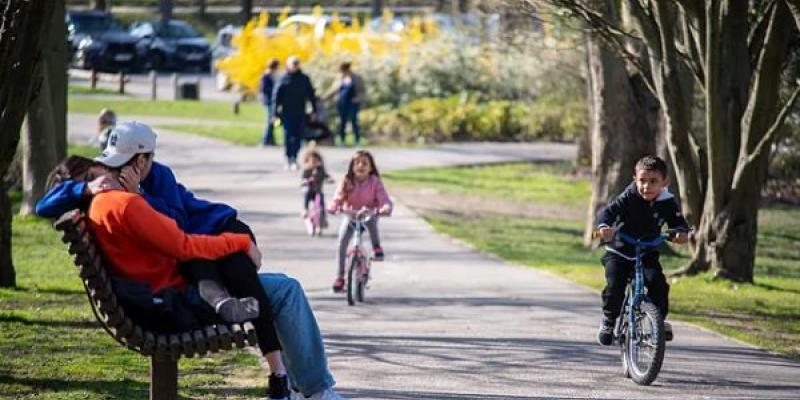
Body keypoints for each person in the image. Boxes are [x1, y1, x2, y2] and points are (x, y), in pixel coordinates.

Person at [35, 122, 323, 400]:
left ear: (142, 160)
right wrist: (93, 189)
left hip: (214, 233)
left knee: (258, 283)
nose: (107, 176)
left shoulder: (146, 183)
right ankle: (309, 388)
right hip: (184, 281)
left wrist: (130, 194)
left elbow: (178, 226)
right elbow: (180, 241)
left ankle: (285, 380)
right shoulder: (120, 201)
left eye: (103, 170)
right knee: (285, 290)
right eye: (95, 175)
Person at [595, 155, 689, 346]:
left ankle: (659, 321)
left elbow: (678, 222)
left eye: (653, 181)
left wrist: (680, 233)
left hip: (646, 252)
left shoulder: (667, 202)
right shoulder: (629, 196)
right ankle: (609, 320)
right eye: (642, 181)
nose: (647, 186)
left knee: (658, 284)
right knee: (615, 287)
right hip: (619, 251)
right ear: (635, 180)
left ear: (664, 182)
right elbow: (608, 213)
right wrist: (604, 227)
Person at [327, 150, 392, 293]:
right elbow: (338, 197)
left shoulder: (374, 182)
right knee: (342, 242)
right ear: (352, 166)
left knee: (372, 221)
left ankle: (376, 247)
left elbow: (384, 199)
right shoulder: (347, 181)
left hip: (368, 214)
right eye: (357, 163)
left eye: (365, 163)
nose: (361, 166)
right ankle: (340, 277)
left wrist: (385, 207)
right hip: (351, 215)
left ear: (371, 167)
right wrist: (334, 206)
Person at [273, 55, 318, 170]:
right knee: (288, 135)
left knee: (298, 135)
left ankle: (295, 157)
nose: (295, 66)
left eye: (297, 63)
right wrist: (274, 113)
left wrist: (314, 110)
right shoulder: (283, 79)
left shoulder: (304, 79)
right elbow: (276, 97)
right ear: (288, 65)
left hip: (300, 112)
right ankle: (289, 158)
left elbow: (311, 95)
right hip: (287, 113)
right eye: (293, 64)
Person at [323, 62, 366, 147]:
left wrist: (357, 99)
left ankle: (357, 140)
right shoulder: (340, 79)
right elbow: (333, 90)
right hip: (342, 103)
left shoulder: (356, 78)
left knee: (354, 121)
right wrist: (324, 97)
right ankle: (342, 140)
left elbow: (362, 91)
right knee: (342, 122)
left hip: (353, 103)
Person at [300, 145, 332, 228]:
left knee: (321, 201)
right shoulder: (307, 170)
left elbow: (326, 176)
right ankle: (305, 209)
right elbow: (303, 179)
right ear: (308, 161)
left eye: (315, 161)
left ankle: (323, 218)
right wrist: (305, 181)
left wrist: (329, 179)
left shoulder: (321, 170)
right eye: (312, 162)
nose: (313, 164)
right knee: (306, 193)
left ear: (319, 162)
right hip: (309, 190)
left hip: (318, 191)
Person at [260, 58, 281, 146]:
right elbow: (264, 89)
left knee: (273, 121)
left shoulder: (273, 75)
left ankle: (271, 140)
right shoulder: (266, 75)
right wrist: (274, 91)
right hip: (269, 101)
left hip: (272, 101)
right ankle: (265, 140)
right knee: (270, 121)